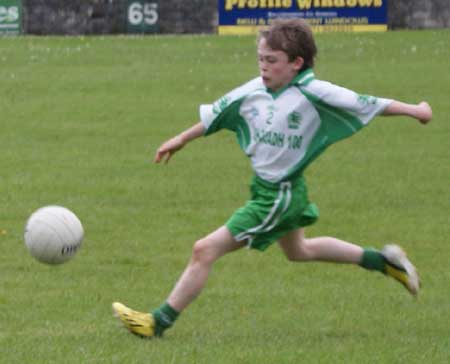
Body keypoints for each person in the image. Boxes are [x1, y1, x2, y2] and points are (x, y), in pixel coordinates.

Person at [112, 19, 432, 338]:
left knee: (204, 250)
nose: (264, 67)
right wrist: (181, 139)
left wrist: (416, 110)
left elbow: (367, 102)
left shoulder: (314, 92)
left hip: (279, 196)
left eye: (272, 61)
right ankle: (384, 262)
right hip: (275, 188)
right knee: (299, 251)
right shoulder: (256, 89)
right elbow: (219, 114)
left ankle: (157, 323)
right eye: (261, 59)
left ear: (296, 63)